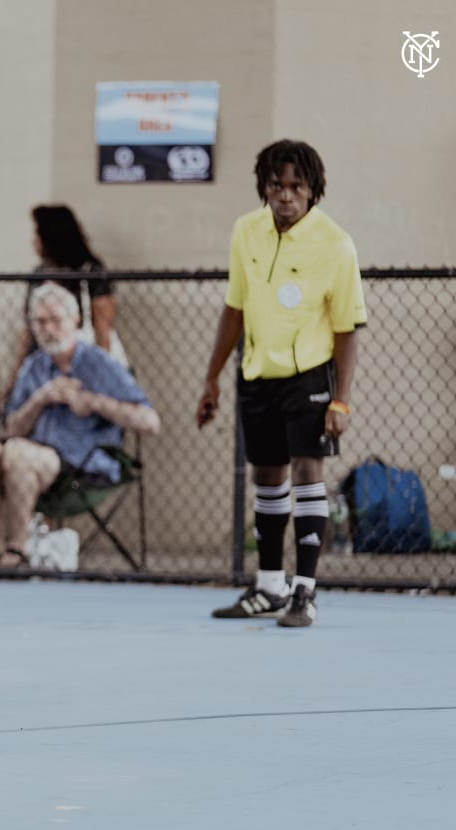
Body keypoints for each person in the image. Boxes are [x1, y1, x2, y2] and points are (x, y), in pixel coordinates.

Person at [197, 139, 366, 628]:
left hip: (309, 375)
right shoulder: (245, 232)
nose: (286, 195)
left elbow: (346, 328)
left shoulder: (336, 244)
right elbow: (234, 308)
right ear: (264, 188)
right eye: (277, 185)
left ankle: (304, 592)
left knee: (307, 471)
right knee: (267, 476)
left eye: (297, 186)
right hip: (258, 374)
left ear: (313, 190)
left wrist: (341, 400)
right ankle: (269, 586)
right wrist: (211, 379)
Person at [0, 283, 160, 569]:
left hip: (83, 464)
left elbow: (150, 421)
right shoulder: (33, 366)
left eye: (56, 320)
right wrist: (41, 399)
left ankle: (18, 551)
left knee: (18, 453)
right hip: (33, 459)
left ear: (75, 321)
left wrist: (93, 402)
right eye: (40, 322)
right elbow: (12, 429)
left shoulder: (100, 363)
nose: (48, 329)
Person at [16, 204, 123, 371]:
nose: (33, 240)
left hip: (81, 361)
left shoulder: (91, 272)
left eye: (37, 233)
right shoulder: (38, 274)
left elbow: (103, 329)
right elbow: (28, 329)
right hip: (44, 360)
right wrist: (17, 372)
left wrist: (100, 372)